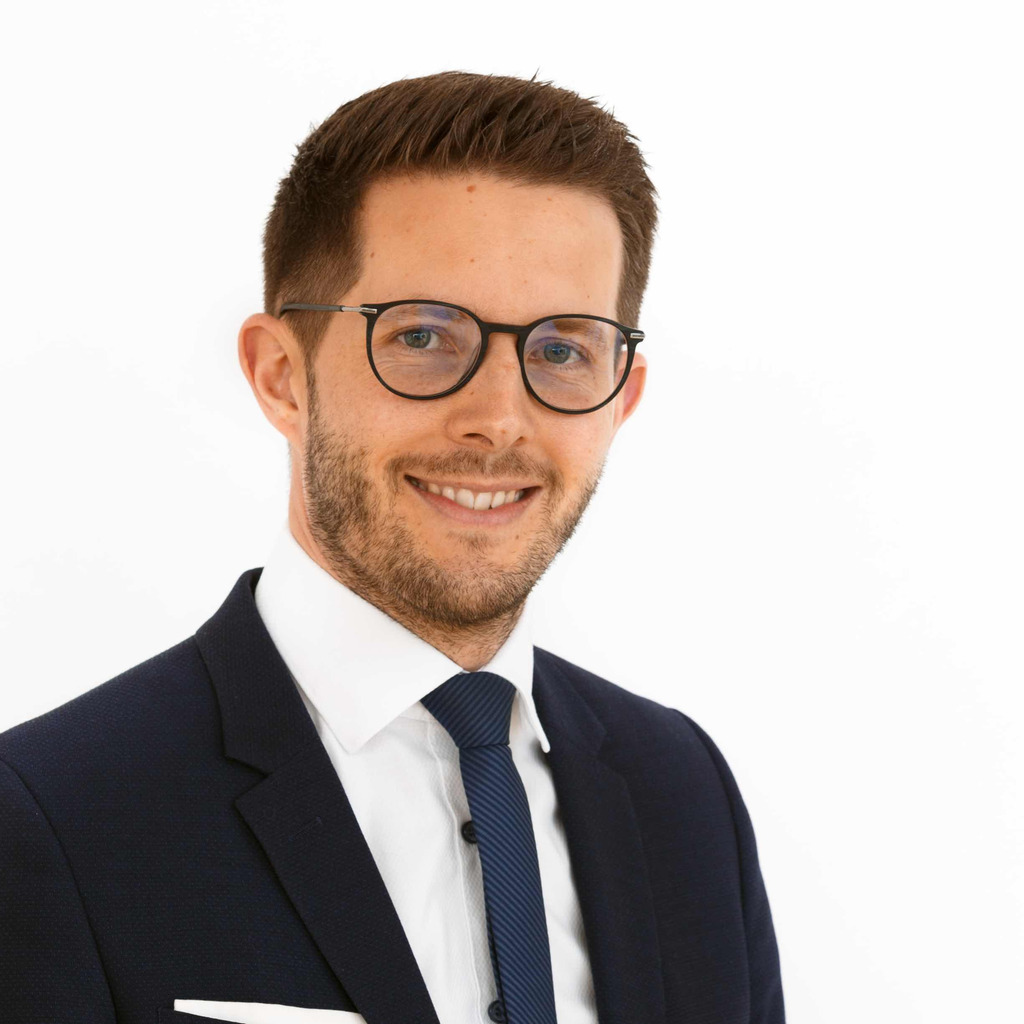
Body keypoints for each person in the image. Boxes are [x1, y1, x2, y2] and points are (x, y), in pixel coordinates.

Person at [0, 72, 785, 1024]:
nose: (499, 419)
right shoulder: (49, 817)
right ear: (281, 375)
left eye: (562, 350)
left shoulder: (684, 793)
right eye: (422, 336)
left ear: (622, 396)